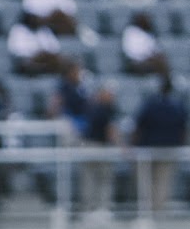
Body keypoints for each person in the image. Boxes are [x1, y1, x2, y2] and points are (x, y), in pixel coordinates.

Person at [131, 76, 187, 214]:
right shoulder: (178, 106)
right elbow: (183, 130)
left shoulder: (151, 104)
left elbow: (138, 126)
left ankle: (147, 210)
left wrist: (134, 145)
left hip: (149, 149)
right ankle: (158, 211)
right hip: (168, 149)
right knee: (163, 181)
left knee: (146, 181)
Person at [78, 83, 119, 213]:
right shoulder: (105, 109)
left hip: (88, 146)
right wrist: (121, 147)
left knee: (89, 178)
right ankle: (103, 208)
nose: (112, 97)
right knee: (103, 178)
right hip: (99, 146)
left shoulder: (92, 106)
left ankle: (89, 208)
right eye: (109, 94)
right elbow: (110, 131)